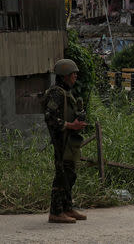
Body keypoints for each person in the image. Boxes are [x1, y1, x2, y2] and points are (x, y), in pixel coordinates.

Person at [44, 59, 88, 223]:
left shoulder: (67, 92)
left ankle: (67, 208)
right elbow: (49, 118)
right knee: (61, 175)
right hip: (61, 140)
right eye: (73, 74)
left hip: (69, 139)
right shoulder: (56, 92)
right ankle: (55, 212)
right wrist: (70, 125)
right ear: (64, 76)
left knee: (70, 174)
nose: (75, 76)